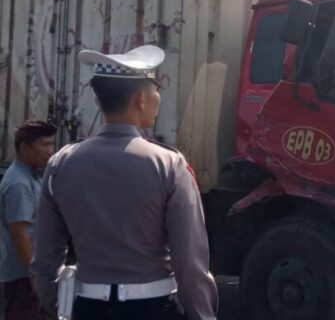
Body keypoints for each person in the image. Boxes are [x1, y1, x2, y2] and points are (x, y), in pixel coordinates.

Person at [31, 45, 218, 320]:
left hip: (87, 307)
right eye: (156, 90)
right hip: (153, 308)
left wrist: (58, 305)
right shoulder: (169, 165)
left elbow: (45, 259)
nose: (158, 97)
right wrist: (202, 315)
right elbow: (189, 263)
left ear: (99, 101)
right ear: (141, 99)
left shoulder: (61, 164)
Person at [0, 120, 56, 320]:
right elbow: (21, 234)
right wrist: (35, 275)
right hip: (22, 277)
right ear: (24, 147)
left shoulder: (33, 176)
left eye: (51, 144)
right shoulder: (19, 184)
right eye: (44, 145)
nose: (50, 150)